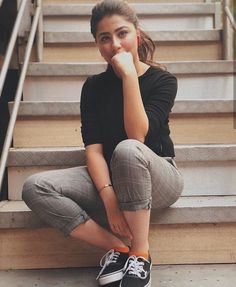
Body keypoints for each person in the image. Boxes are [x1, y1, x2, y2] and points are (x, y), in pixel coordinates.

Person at [22, 0, 184, 286]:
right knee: (35, 187)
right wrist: (109, 200)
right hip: (111, 175)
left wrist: (129, 76)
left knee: (128, 148)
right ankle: (119, 248)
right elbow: (94, 150)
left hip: (158, 177)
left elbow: (137, 136)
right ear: (97, 43)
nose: (115, 45)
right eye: (104, 38)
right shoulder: (93, 87)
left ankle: (140, 254)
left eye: (122, 33)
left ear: (137, 34)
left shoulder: (163, 80)